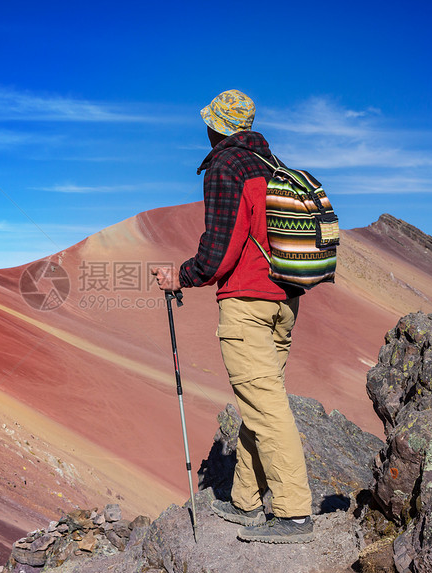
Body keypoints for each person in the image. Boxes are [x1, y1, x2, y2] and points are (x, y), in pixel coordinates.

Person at [152, 89, 314, 544]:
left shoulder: (227, 166)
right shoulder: (271, 163)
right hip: (285, 301)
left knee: (265, 405)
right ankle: (246, 498)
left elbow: (219, 250)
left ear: (216, 127)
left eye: (208, 122)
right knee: (258, 400)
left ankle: (293, 513)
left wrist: (181, 276)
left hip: (247, 303)